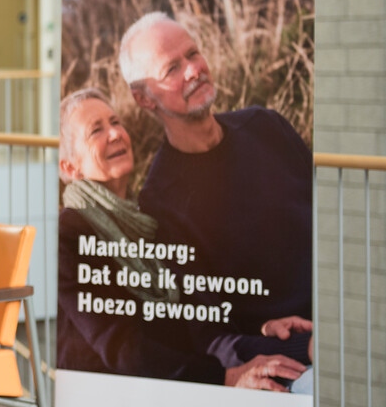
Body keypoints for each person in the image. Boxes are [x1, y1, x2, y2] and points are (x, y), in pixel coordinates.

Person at [56, 88, 308, 390]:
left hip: (171, 389)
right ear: (70, 168)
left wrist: (263, 329)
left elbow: (190, 312)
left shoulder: (146, 222)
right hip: (111, 406)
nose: (115, 134)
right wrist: (225, 379)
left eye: (116, 122)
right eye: (96, 130)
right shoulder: (69, 234)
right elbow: (122, 347)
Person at [118, 12, 314, 372]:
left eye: (193, 54)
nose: (193, 70)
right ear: (144, 99)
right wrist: (310, 348)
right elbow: (210, 336)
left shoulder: (268, 127)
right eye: (172, 69)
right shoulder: (160, 204)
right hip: (292, 362)